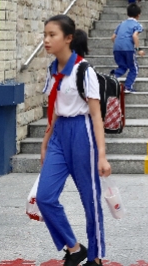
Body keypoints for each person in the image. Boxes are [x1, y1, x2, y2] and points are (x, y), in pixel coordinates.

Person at [37, 15, 111, 266]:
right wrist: (46, 141)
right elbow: (54, 108)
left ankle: (96, 257)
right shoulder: (51, 70)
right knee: (45, 197)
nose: (46, 40)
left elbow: (96, 115)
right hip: (59, 135)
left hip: (82, 133)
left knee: (90, 200)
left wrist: (101, 154)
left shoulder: (83, 70)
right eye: (45, 34)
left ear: (68, 39)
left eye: (52, 35)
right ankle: (74, 247)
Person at [110, 3, 146, 94]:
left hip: (117, 48)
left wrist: (119, 45)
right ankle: (128, 87)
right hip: (128, 49)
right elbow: (134, 36)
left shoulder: (121, 24)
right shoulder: (137, 25)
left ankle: (112, 78)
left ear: (127, 14)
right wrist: (138, 49)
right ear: (138, 15)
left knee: (122, 67)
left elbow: (113, 37)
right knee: (134, 68)